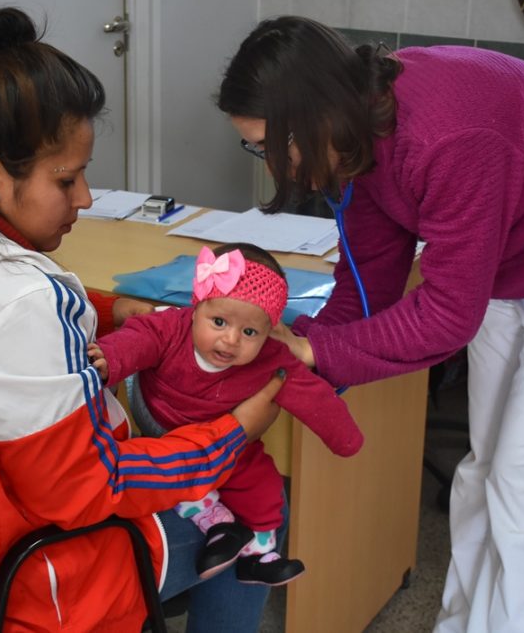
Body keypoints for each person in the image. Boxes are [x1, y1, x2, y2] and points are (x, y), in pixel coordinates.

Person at [0, 7, 286, 633]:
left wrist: (112, 311)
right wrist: (229, 436)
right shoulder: (17, 301)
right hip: (28, 583)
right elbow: (87, 488)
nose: (85, 198)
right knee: (252, 510)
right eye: (68, 179)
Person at [216, 16, 524, 633]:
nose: (273, 162)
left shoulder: (447, 137)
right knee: (485, 467)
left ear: (314, 113)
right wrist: (306, 353)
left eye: (271, 145)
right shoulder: (356, 136)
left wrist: (315, 355)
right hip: (513, 260)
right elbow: (368, 282)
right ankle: (460, 623)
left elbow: (444, 318)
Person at [88, 243, 363, 587]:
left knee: (264, 485)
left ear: (269, 333)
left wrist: (346, 437)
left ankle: (260, 554)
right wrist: (109, 360)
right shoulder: (171, 327)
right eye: (218, 321)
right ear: (197, 307)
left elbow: (314, 396)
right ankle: (211, 516)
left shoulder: (271, 357)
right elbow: (137, 339)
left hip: (232, 444)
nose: (230, 340)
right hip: (167, 436)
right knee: (181, 480)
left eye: (250, 333)